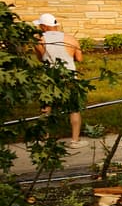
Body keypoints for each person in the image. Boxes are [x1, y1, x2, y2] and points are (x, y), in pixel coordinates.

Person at [34, 12, 85, 145]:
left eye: (40, 26)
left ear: (44, 26)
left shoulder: (39, 40)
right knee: (73, 108)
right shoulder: (71, 39)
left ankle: (44, 139)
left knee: (46, 107)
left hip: (49, 77)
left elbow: (40, 58)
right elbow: (79, 58)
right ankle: (74, 140)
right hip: (69, 75)